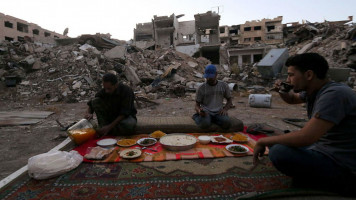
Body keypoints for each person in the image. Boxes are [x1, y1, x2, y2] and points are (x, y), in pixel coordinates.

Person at [253, 53, 356, 194]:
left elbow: (306, 137)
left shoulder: (334, 94)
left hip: (343, 164)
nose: (288, 79)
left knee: (279, 151)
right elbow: (293, 99)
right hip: (325, 147)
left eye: (291, 75)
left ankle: (330, 183)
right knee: (282, 140)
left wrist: (263, 141)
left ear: (308, 75)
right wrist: (283, 91)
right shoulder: (314, 90)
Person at [193, 64, 232, 130]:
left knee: (227, 123)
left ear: (216, 74)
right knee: (205, 124)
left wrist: (225, 109)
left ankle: (211, 119)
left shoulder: (224, 85)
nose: (208, 79)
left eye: (210, 77)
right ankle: (196, 117)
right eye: (207, 77)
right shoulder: (201, 88)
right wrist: (199, 111)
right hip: (206, 112)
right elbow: (197, 105)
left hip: (218, 112)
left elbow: (229, 100)